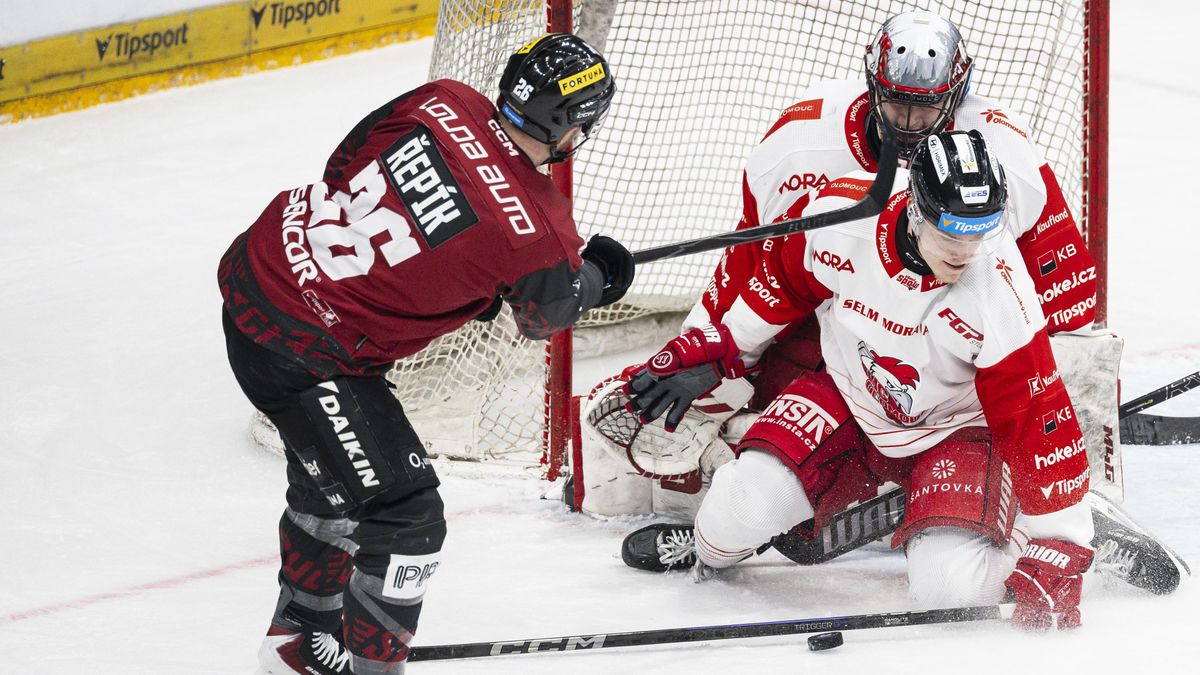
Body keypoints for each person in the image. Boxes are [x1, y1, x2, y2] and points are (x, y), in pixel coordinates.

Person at [574, 8, 1110, 524]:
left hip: (955, 339)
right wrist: (711, 353)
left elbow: (1062, 290)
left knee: (1022, 392)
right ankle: (739, 475)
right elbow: (754, 269)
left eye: (927, 107)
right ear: (872, 86)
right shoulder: (799, 143)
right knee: (673, 396)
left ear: (959, 93)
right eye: (898, 104)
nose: (911, 123)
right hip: (843, 321)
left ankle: (1007, 485)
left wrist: (1062, 427)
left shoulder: (1000, 155)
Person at [218, 33, 633, 675]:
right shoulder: (539, 229)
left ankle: (296, 641)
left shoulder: (444, 99)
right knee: (406, 518)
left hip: (259, 267)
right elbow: (544, 315)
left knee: (340, 478)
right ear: (570, 127)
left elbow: (345, 164)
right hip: (306, 348)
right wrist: (603, 274)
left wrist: (448, 265)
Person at [626, 130, 1097, 629]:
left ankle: (1031, 529)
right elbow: (784, 282)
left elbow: (1035, 411)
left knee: (949, 592)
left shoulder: (998, 288)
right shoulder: (844, 216)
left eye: (979, 232)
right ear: (916, 210)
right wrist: (723, 348)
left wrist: (1062, 538)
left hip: (956, 428)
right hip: (850, 395)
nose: (965, 252)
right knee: (736, 509)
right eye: (951, 233)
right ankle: (704, 552)